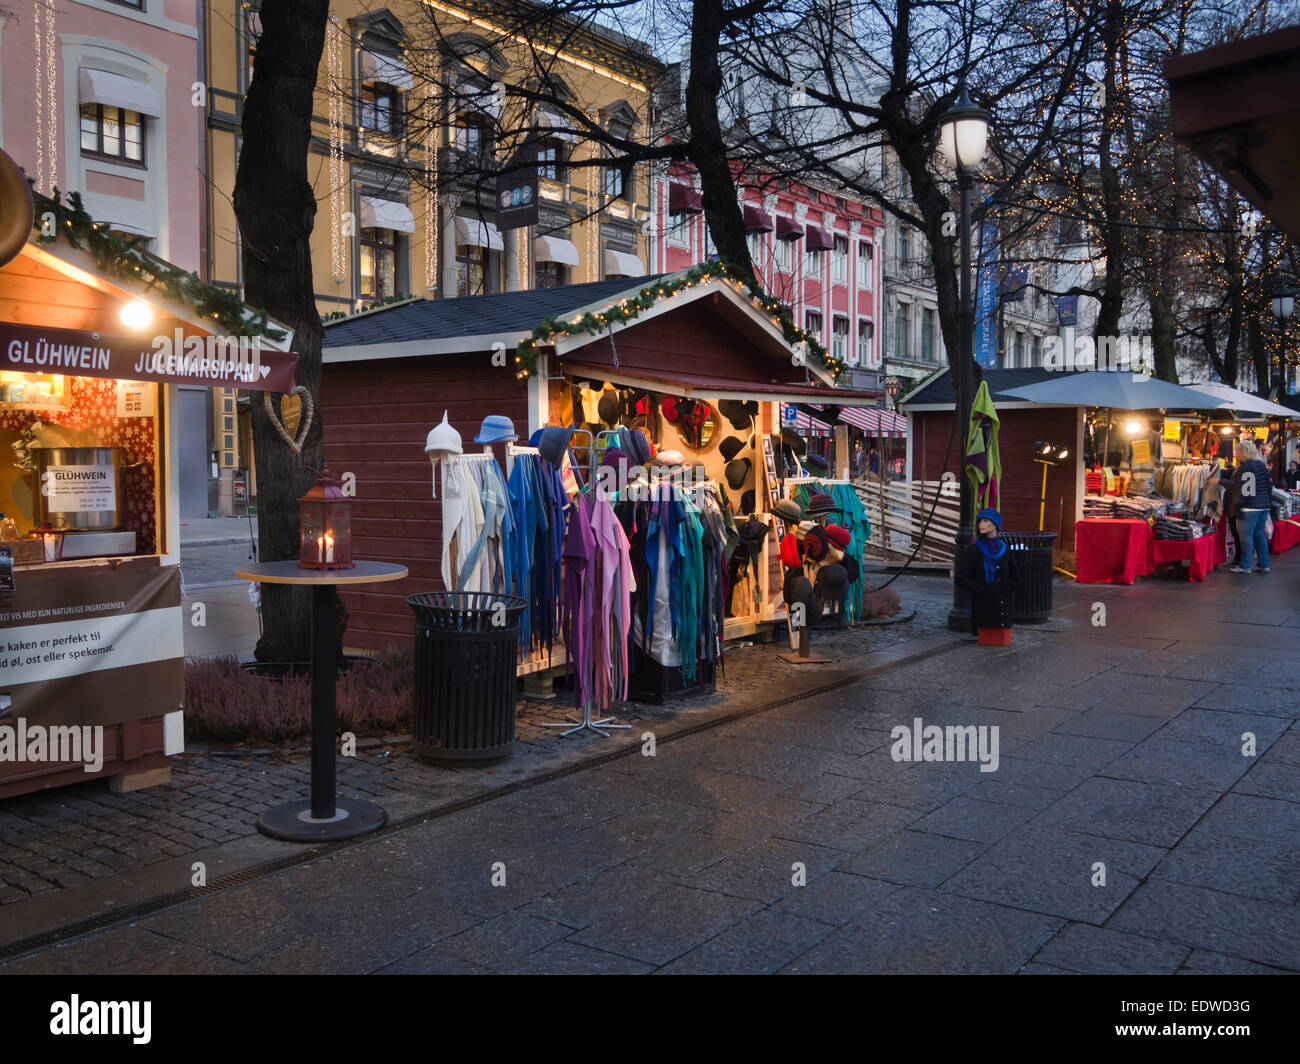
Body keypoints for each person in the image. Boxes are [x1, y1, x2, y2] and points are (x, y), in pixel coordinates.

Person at [954, 507, 1018, 638]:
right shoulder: (973, 550)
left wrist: (1005, 589)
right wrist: (981, 590)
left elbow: (1015, 577)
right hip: (983, 608)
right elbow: (961, 578)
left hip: (1002, 610)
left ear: (995, 524)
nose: (981, 525)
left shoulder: (1005, 550)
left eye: (985, 521)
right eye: (979, 521)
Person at [1229, 439, 1272, 574]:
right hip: (1263, 506)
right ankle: (1264, 564)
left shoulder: (1246, 467)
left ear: (1243, 452)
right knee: (1259, 535)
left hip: (1249, 508)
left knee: (1245, 536)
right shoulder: (1260, 464)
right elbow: (1269, 486)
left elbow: (1244, 491)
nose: (1236, 455)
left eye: (1238, 452)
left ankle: (1245, 565)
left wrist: (1236, 507)